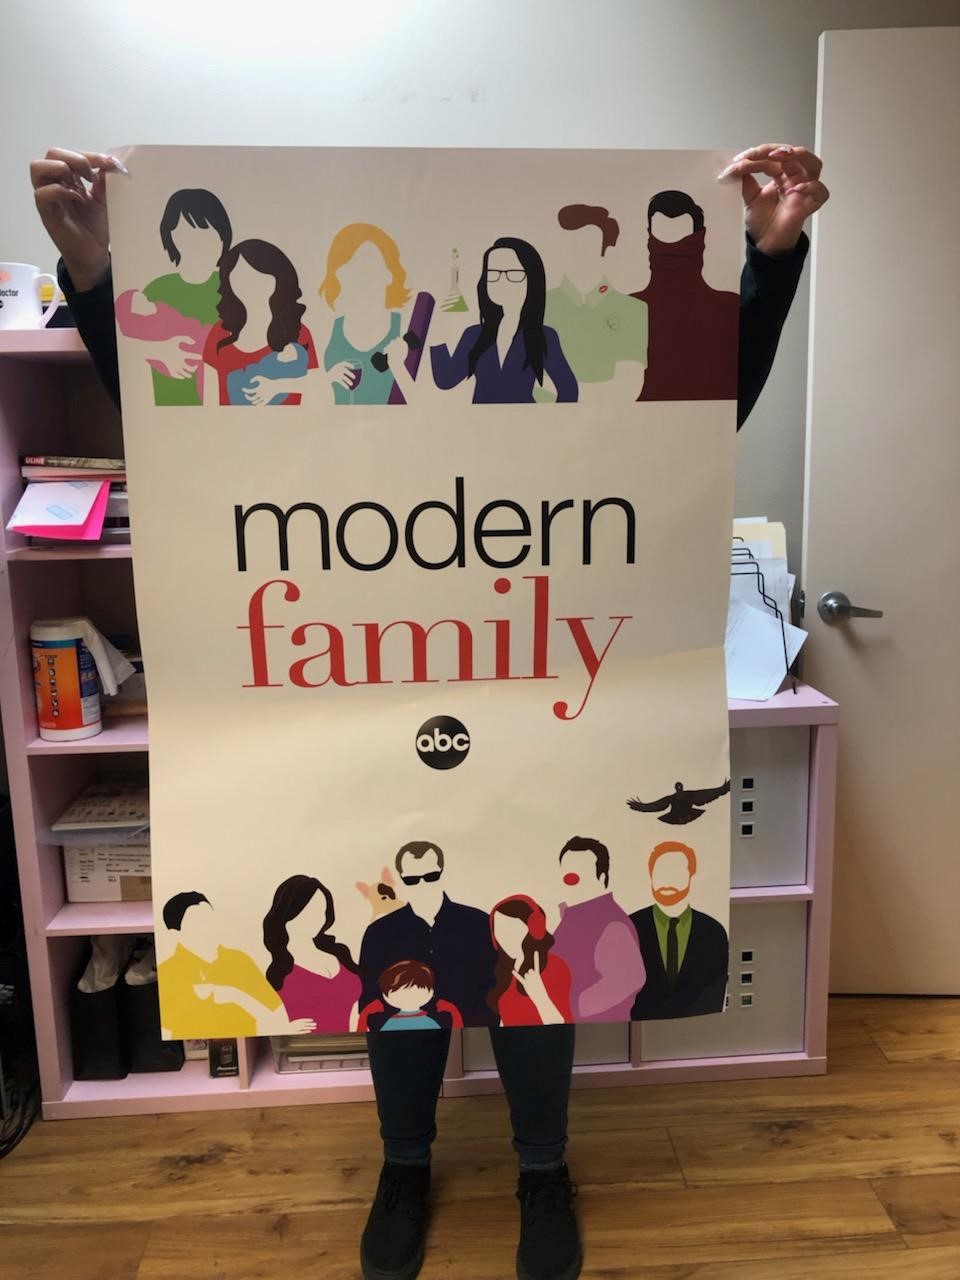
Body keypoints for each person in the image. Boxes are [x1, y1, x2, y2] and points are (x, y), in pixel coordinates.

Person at [31, 141, 828, 1280]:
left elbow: (698, 412)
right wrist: (95, 274)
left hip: (534, 692)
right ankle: (405, 1164)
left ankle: (543, 1168)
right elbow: (187, 442)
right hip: (374, 692)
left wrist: (771, 260)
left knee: (534, 935)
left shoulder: (555, 378)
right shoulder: (336, 385)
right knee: (396, 953)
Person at [431, 236, 579, 403]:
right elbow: (446, 379)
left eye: (513, 273)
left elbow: (568, 389)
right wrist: (435, 336)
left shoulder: (544, 336)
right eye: (493, 273)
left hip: (524, 418)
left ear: (532, 277)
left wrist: (546, 417)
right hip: (480, 419)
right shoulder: (474, 334)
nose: (501, 281)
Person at [203, 238, 318, 406]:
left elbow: (317, 387)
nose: (250, 286)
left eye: (258, 276)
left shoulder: (298, 331)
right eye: (241, 279)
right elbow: (209, 401)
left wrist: (277, 387)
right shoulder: (219, 332)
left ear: (278, 277)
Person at [551, 837, 647, 1022]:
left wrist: (569, 1007)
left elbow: (629, 979)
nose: (570, 882)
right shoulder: (573, 918)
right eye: (567, 876)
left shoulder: (611, 925)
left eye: (579, 876)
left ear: (602, 878)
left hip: (598, 1031)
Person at [263, 874, 363, 1033]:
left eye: (321, 910)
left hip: (357, 1038)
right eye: (309, 911)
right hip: (302, 1043)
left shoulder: (339, 953)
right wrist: (280, 1027)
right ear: (289, 913)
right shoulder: (279, 970)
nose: (317, 919)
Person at [489, 895, 573, 1027]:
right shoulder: (506, 971)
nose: (505, 938)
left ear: (533, 930)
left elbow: (564, 1024)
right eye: (499, 930)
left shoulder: (555, 965)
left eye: (513, 929)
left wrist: (540, 997)